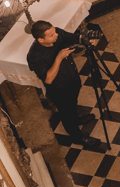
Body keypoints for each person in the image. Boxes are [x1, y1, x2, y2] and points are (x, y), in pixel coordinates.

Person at [26, 20, 100, 150]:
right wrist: (59, 57)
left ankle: (76, 118)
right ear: (41, 40)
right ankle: (77, 136)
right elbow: (48, 79)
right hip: (59, 89)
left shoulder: (57, 33)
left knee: (73, 103)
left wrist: (87, 38)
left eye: (54, 31)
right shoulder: (35, 56)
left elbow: (72, 37)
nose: (56, 35)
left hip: (72, 78)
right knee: (66, 113)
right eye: (51, 35)